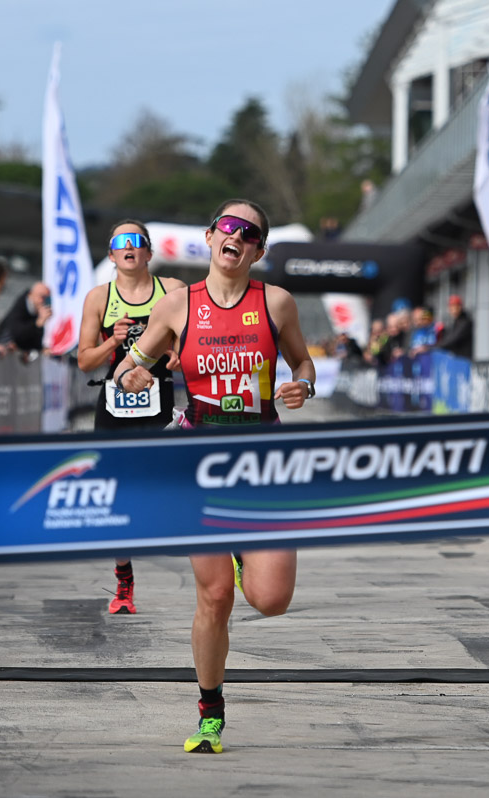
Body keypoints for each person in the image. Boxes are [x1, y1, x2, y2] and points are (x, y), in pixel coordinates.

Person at [114, 199, 316, 754]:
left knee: (270, 599)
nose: (237, 236)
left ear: (258, 249)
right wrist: (133, 375)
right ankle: (210, 712)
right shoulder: (178, 306)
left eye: (249, 232)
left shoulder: (276, 302)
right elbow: (135, 363)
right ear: (210, 237)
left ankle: (239, 548)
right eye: (228, 226)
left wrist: (303, 385)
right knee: (216, 599)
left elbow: (303, 363)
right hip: (198, 457)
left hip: (262, 460)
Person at [77, 219, 186, 614]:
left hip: (159, 401)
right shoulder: (98, 298)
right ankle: (124, 581)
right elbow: (84, 361)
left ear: (148, 253)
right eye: (120, 242)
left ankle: (222, 557)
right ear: (111, 254)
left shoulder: (171, 290)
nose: (129, 247)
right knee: (115, 494)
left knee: (173, 486)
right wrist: (113, 340)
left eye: (136, 241)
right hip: (114, 403)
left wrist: (177, 353)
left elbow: (192, 339)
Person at [0, 282, 53, 354]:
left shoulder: (37, 310)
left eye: (46, 298)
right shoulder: (21, 306)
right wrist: (38, 323)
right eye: (41, 297)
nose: (42, 301)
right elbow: (18, 334)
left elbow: (35, 341)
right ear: (30, 294)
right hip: (4, 343)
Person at [438, 294, 473, 358]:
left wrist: (430, 348)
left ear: (460, 307)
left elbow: (451, 340)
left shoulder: (465, 322)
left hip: (463, 360)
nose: (453, 309)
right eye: (451, 307)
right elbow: (447, 338)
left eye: (456, 306)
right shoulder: (455, 322)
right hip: (456, 359)